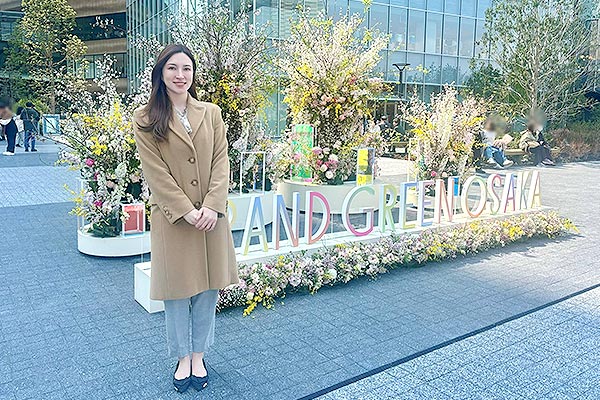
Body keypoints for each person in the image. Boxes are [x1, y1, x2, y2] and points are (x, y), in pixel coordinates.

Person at [133, 44, 239, 394]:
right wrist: (188, 211)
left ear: (193, 74)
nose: (180, 75)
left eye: (187, 69)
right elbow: (156, 173)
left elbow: (221, 161)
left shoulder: (211, 112)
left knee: (208, 289)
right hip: (174, 220)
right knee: (177, 293)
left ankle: (199, 355)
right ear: (160, 73)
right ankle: (181, 358)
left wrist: (212, 205)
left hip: (211, 218)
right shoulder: (146, 118)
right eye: (173, 68)